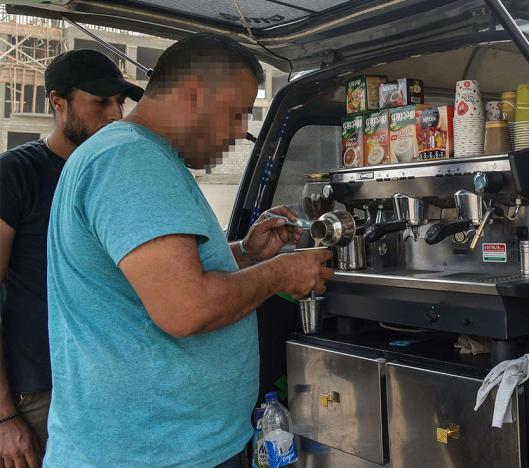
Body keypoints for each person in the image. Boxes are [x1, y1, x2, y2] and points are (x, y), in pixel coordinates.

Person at [45, 34, 333, 466]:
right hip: (152, 453)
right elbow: (186, 307)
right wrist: (281, 273)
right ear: (194, 94)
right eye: (237, 114)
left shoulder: (134, 156)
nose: (241, 131)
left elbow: (159, 278)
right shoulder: (130, 160)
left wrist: (247, 254)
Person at [0, 49, 142, 467]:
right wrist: (4, 415)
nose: (116, 113)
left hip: (111, 388)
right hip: (42, 394)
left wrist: (244, 251)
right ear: (57, 102)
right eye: (101, 102)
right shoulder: (16, 174)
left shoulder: (116, 176)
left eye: (120, 102)